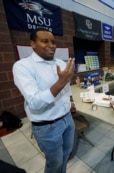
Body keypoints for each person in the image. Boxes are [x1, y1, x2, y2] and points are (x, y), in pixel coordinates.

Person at [13, 28, 76, 173]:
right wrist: (60, 82)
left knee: (66, 155)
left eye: (53, 42)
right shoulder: (22, 66)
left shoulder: (60, 62)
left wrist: (71, 101)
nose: (51, 45)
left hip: (67, 120)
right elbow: (35, 103)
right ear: (33, 44)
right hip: (47, 126)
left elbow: (67, 87)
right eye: (45, 41)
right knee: (55, 163)